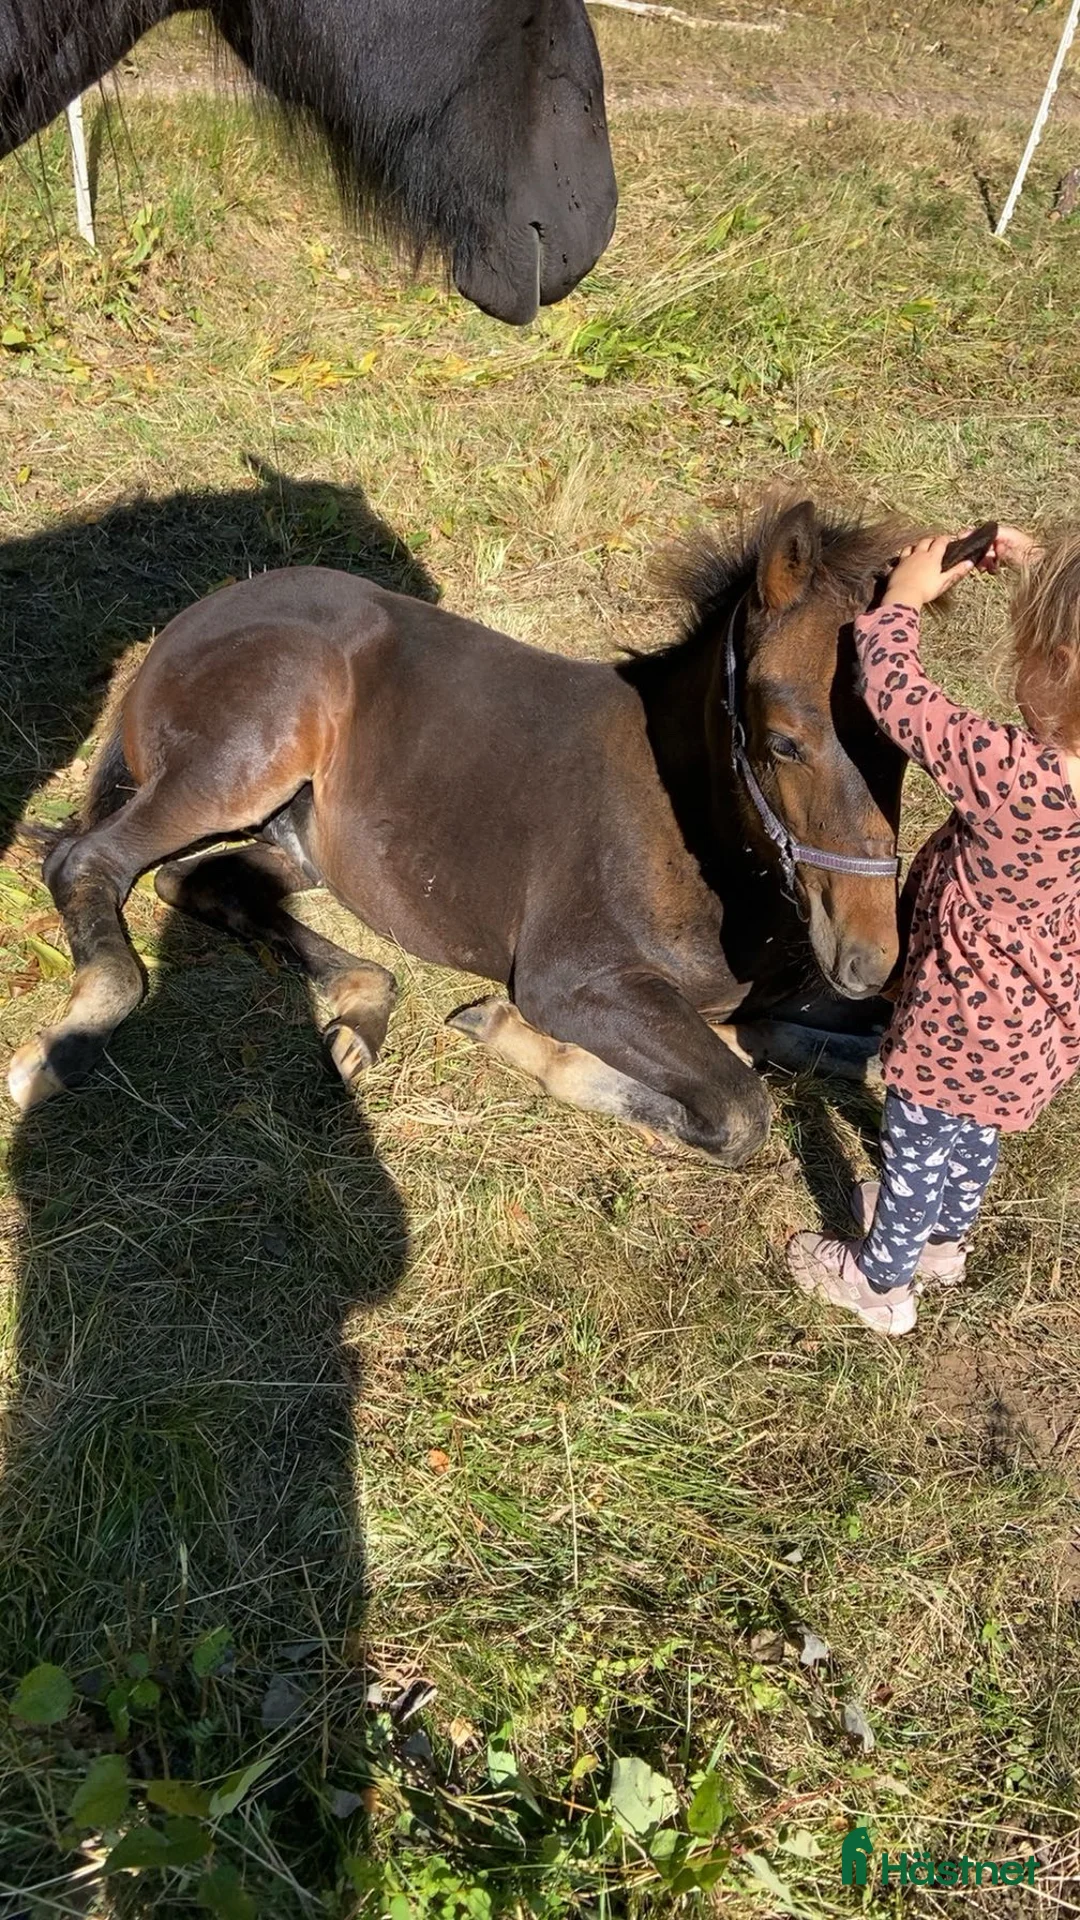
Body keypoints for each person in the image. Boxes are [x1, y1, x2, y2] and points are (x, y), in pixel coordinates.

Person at [786, 522, 1080, 1335]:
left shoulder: (1014, 775)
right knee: (975, 1130)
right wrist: (1039, 564)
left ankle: (881, 1279)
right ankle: (946, 1241)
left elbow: (901, 699)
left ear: (1056, 670)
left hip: (962, 1014)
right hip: (1039, 1015)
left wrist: (902, 603)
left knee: (916, 1136)